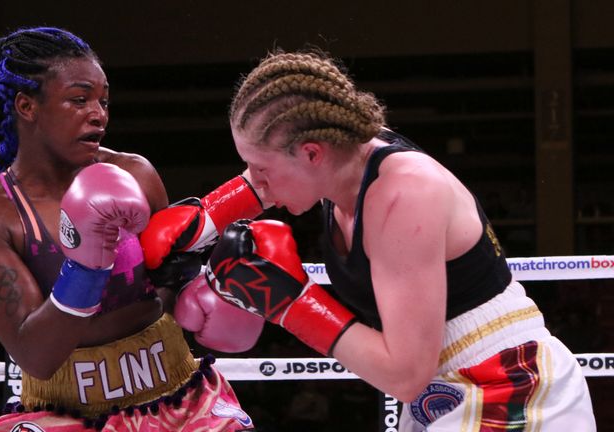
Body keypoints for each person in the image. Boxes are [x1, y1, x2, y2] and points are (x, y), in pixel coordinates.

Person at [203, 48, 596, 431]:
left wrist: (291, 304)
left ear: (311, 154)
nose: (255, 180)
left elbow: (404, 374)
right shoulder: (339, 165)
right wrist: (195, 226)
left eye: (259, 167)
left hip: (507, 383)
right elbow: (261, 183)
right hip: (442, 394)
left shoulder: (403, 194)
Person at [0, 27, 256, 431]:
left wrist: (222, 294)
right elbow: (35, 354)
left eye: (104, 100)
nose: (98, 113)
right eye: (79, 99)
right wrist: (88, 263)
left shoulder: (134, 173)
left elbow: (170, 287)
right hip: (64, 413)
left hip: (177, 393)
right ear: (26, 106)